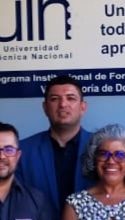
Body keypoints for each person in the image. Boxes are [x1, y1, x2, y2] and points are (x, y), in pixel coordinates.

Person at [17, 74, 94, 210]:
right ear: (45, 108)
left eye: (70, 98)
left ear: (83, 107)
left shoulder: (102, 149)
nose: (63, 104)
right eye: (54, 99)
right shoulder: (22, 151)